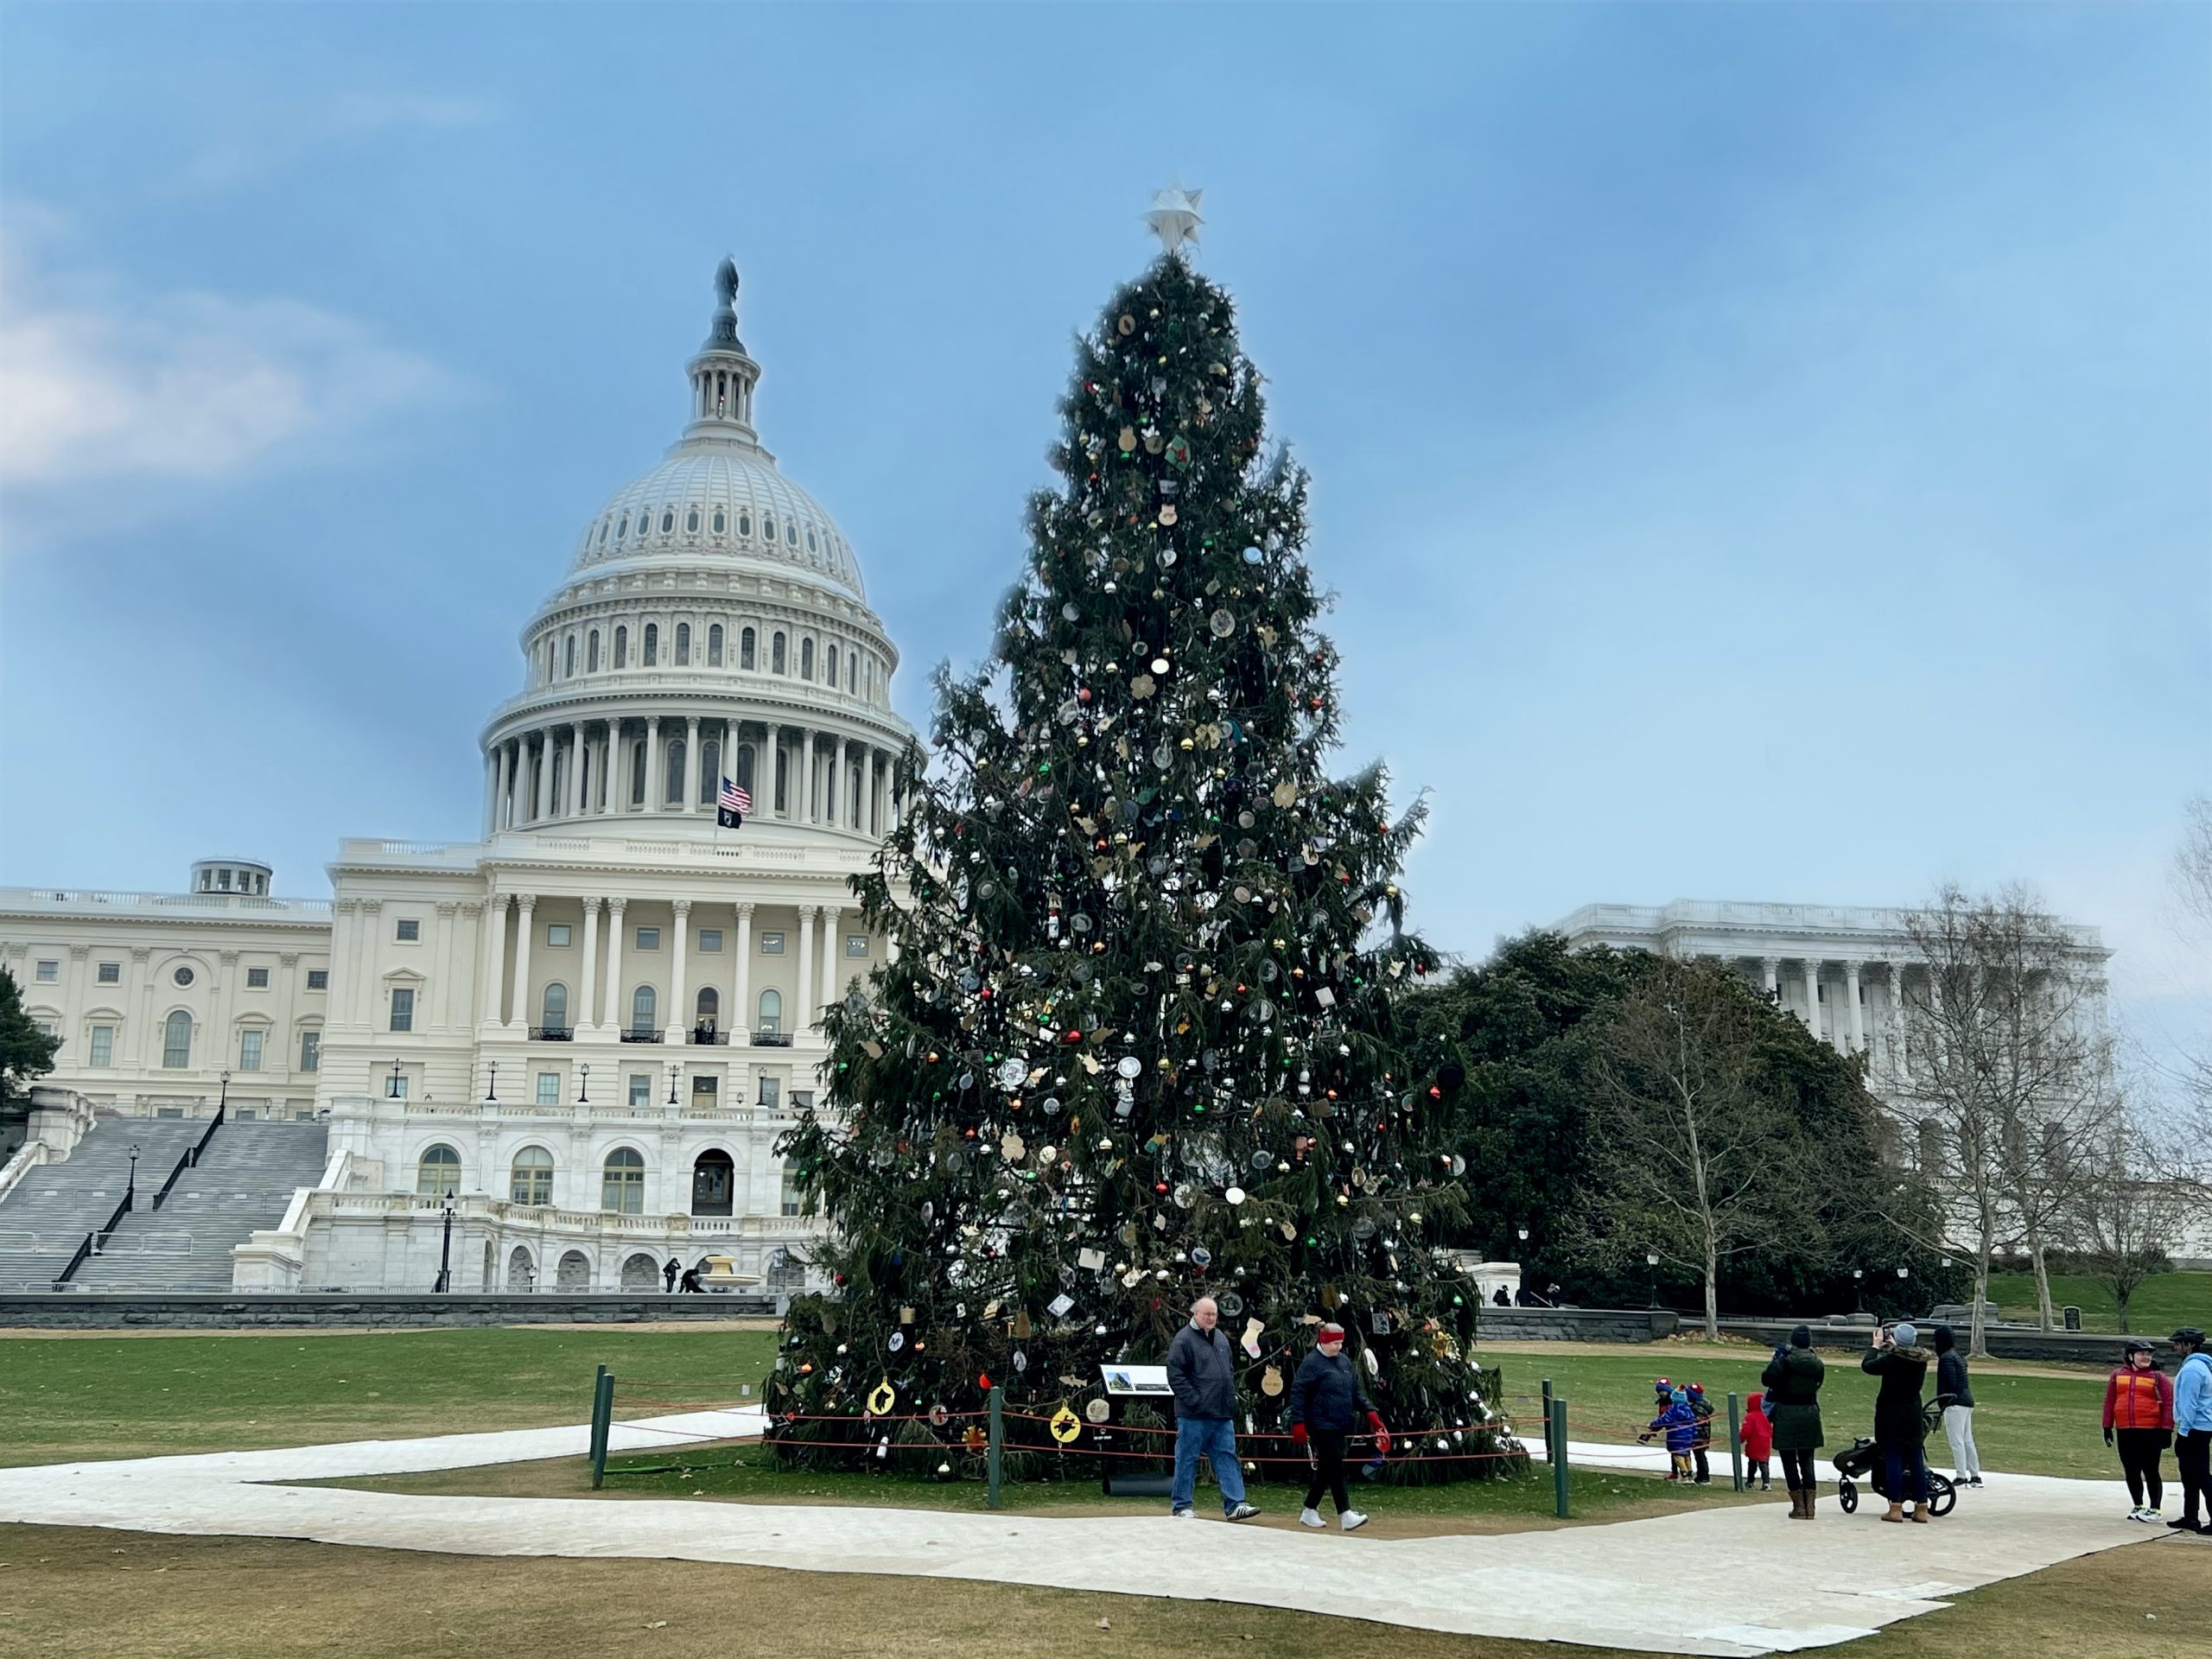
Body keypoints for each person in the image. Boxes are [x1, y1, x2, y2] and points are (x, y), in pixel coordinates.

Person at [1287, 1322, 1389, 1532]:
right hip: (1320, 1423)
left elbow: (1354, 1391)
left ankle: (1309, 1510)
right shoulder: (1312, 1363)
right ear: (1323, 1341)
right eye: (1334, 1343)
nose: (1338, 1347)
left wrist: (1370, 1412)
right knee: (1335, 1466)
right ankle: (1345, 1513)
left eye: (1340, 1342)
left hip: (1340, 1422)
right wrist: (1298, 1422)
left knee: (1327, 1468)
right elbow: (1298, 1392)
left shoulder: (1343, 1361)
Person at [1166, 1295, 1260, 1521]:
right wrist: (1194, 1401)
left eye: (1214, 1314)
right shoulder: (1183, 1340)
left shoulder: (1220, 1338)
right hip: (1193, 1415)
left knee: (1227, 1457)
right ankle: (1182, 1506)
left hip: (1221, 1413)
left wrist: (1231, 1400)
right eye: (1207, 1314)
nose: (1211, 1318)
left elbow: (1227, 1370)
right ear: (1195, 1314)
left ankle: (1235, 1504)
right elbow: (1175, 1375)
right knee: (1187, 1458)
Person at [1862, 1321, 1935, 1523]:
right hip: (1912, 1413)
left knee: (1893, 1458)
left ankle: (1896, 1506)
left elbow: (1867, 1366)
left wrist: (1875, 1346)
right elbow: (1904, 1355)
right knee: (1915, 1459)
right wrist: (1895, 1347)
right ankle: (1922, 1507)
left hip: (1891, 1414)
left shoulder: (1892, 1360)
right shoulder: (1920, 1360)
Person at [2102, 1337, 2175, 1524]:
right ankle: (2138, 1505)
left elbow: (2169, 1404)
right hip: (2125, 1430)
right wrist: (2107, 1426)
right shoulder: (2117, 1375)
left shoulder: (2158, 1377)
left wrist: (2167, 1429)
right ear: (2130, 1356)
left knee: (2151, 1470)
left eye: (2149, 1354)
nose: (2146, 1357)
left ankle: (2155, 1508)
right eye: (2142, 1353)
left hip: (2150, 1430)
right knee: (2131, 1469)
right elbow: (2110, 1401)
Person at [1763, 1325, 1826, 1518]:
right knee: (1807, 1460)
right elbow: (1818, 1383)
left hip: (1786, 1411)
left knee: (1789, 1460)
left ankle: (1798, 1506)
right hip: (1809, 1411)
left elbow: (1767, 1379)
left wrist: (1777, 1360)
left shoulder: (1785, 1361)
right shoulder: (1817, 1363)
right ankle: (1810, 1506)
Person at [2170, 1326, 2212, 1534]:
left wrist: (2183, 1433)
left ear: (2189, 1345)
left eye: (2178, 1344)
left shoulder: (2192, 1370)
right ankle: (2190, 1516)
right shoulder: (2203, 1366)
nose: (2174, 1347)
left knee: (2201, 1475)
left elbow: (2188, 1404)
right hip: (2202, 1427)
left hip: (2195, 1428)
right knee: (2189, 1475)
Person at [1930, 1325, 1982, 1489]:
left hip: (1955, 1403)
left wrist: (1943, 1402)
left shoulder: (1946, 1358)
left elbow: (1949, 1383)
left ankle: (1961, 1476)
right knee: (1967, 1439)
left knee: (1957, 1440)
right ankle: (1975, 1475)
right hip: (1966, 1400)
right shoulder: (1957, 1356)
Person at [1641, 1386, 1699, 1481]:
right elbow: (1694, 1424)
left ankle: (1684, 1474)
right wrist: (1694, 1435)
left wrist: (1652, 1425)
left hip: (1676, 1436)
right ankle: (1690, 1472)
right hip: (1688, 1437)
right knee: (1686, 1455)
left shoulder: (1673, 1410)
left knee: (1677, 1455)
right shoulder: (1689, 1410)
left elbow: (1664, 1420)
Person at [1742, 1389, 1774, 1491]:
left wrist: (1740, 1438)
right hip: (1765, 1444)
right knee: (1764, 1463)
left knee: (1752, 1464)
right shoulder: (1767, 1416)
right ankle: (1766, 1482)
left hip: (1754, 1444)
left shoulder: (1750, 1416)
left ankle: (1750, 1481)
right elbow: (1772, 1430)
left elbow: (1746, 1430)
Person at [1686, 1382, 1715, 1484]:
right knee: (1700, 1455)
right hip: (1703, 1435)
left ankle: (1704, 1477)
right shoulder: (1701, 1406)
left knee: (1700, 1456)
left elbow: (1696, 1422)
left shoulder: (1696, 1408)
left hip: (1699, 1436)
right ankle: (1702, 1475)